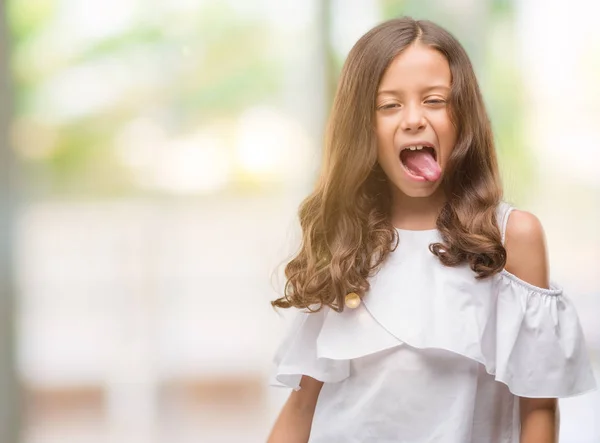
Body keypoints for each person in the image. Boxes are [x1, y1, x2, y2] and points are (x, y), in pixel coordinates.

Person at [266, 17, 596, 443]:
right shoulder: (346, 243)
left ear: (463, 115)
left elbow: (538, 409)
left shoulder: (512, 238)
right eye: (389, 105)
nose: (413, 120)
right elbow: (302, 406)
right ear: (362, 127)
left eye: (435, 100)